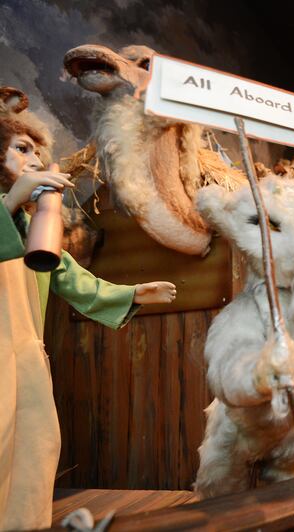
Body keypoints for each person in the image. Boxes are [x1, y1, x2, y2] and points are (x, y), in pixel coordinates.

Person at [0, 91, 177, 530]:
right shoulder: (12, 215)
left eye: (38, 152)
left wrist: (132, 294)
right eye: (22, 148)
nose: (33, 159)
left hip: (25, 360)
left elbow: (70, 276)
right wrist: (6, 204)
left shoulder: (34, 226)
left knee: (34, 450)